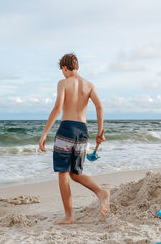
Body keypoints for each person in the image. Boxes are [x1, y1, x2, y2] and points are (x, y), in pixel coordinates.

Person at [38, 53, 110, 225]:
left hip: (66, 129)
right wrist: (100, 132)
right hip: (82, 130)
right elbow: (99, 107)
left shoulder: (63, 83)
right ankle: (101, 192)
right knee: (75, 173)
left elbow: (57, 109)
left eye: (62, 70)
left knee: (63, 172)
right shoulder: (89, 85)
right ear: (77, 67)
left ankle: (69, 216)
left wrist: (44, 133)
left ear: (64, 68)